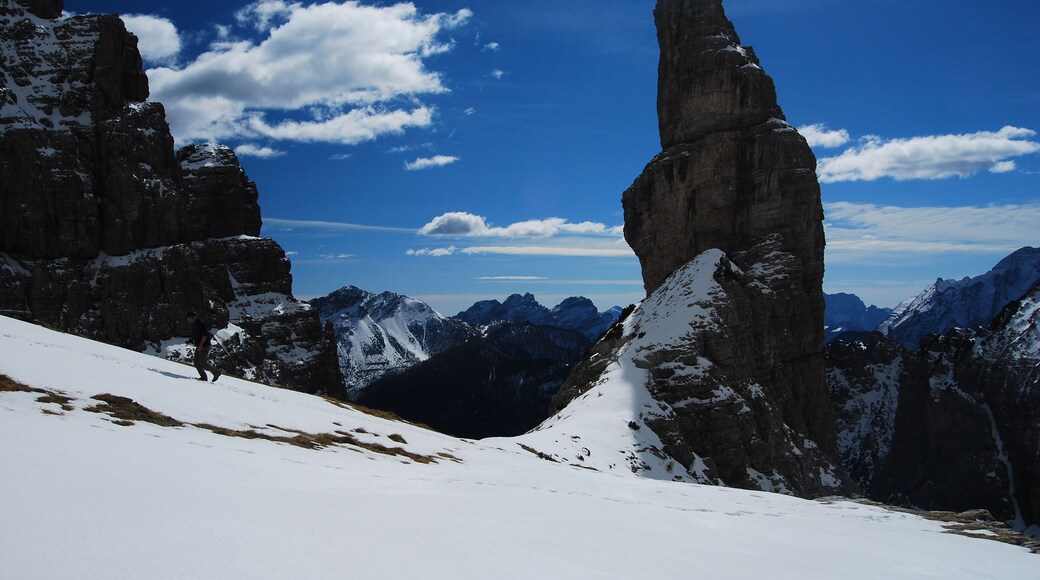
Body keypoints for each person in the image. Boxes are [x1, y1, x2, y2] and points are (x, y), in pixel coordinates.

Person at [186, 311, 221, 382]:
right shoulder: (195, 324)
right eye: (188, 319)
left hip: (204, 346)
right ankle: (203, 377)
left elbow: (204, 336)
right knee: (196, 362)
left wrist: (200, 345)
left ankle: (215, 372)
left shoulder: (200, 324)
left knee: (202, 362)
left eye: (190, 318)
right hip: (200, 345)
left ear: (194, 317)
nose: (189, 320)